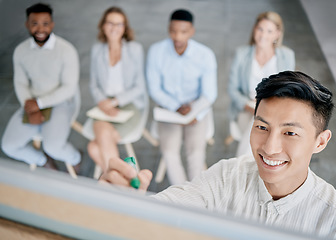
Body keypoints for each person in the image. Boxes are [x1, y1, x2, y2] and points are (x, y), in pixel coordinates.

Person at [100, 71, 336, 239]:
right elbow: (170, 208)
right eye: (261, 127)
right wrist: (123, 205)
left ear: (320, 141)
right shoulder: (227, 176)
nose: (269, 148)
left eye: (289, 133)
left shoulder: (335, 221)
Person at [1, 3, 81, 170]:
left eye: (45, 23)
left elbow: (69, 88)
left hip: (61, 102)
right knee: (8, 145)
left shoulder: (66, 50)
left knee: (53, 147)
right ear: (27, 25)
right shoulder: (20, 51)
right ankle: (43, 161)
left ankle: (75, 158)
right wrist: (30, 106)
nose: (40, 29)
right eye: (34, 23)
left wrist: (39, 104)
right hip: (32, 102)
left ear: (52, 24)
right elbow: (20, 82)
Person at [146, 9, 217, 185]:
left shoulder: (205, 55)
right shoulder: (156, 51)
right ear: (168, 29)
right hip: (168, 110)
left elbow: (209, 94)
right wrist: (175, 107)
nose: (177, 37)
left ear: (192, 31)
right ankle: (181, 196)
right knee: (169, 152)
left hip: (196, 110)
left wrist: (194, 113)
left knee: (195, 153)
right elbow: (154, 89)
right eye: (173, 31)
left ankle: (197, 196)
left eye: (183, 31)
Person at [227, 11, 295, 157]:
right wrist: (250, 106)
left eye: (269, 31)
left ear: (277, 34)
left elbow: (289, 89)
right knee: (259, 127)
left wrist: (267, 105)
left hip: (276, 108)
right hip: (247, 108)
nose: (263, 35)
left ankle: (239, 167)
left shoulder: (287, 56)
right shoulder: (242, 54)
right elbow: (232, 90)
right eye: (260, 29)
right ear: (254, 29)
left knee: (261, 129)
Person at [87, 7, 146, 173]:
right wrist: (103, 102)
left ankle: (117, 183)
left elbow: (139, 87)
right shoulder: (97, 49)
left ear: (125, 28)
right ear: (103, 26)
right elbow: (93, 84)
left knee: (94, 147)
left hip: (129, 105)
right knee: (98, 139)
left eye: (119, 24)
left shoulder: (134, 49)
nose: (114, 28)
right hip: (104, 105)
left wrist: (114, 102)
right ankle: (124, 183)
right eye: (110, 23)